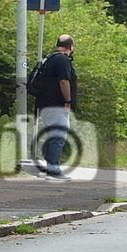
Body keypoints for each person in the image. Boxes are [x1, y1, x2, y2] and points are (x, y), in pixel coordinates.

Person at [35, 34, 78, 180]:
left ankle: (49, 168)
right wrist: (68, 100)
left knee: (52, 135)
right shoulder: (62, 60)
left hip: (46, 104)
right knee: (58, 136)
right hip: (57, 105)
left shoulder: (50, 58)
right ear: (70, 47)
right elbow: (64, 81)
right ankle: (53, 170)